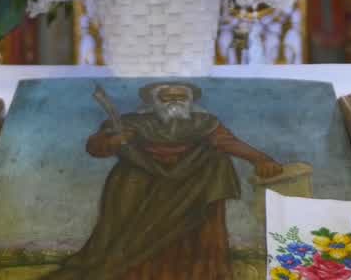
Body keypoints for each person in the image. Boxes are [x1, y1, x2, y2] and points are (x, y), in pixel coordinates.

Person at [47, 83, 284, 279]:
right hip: (140, 190)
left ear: (190, 100)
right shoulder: (131, 122)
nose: (174, 100)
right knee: (131, 238)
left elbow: (228, 143)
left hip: (192, 190)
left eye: (180, 96)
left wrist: (260, 159)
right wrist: (116, 139)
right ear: (154, 100)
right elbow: (96, 146)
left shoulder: (204, 122)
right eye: (167, 96)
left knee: (211, 174)